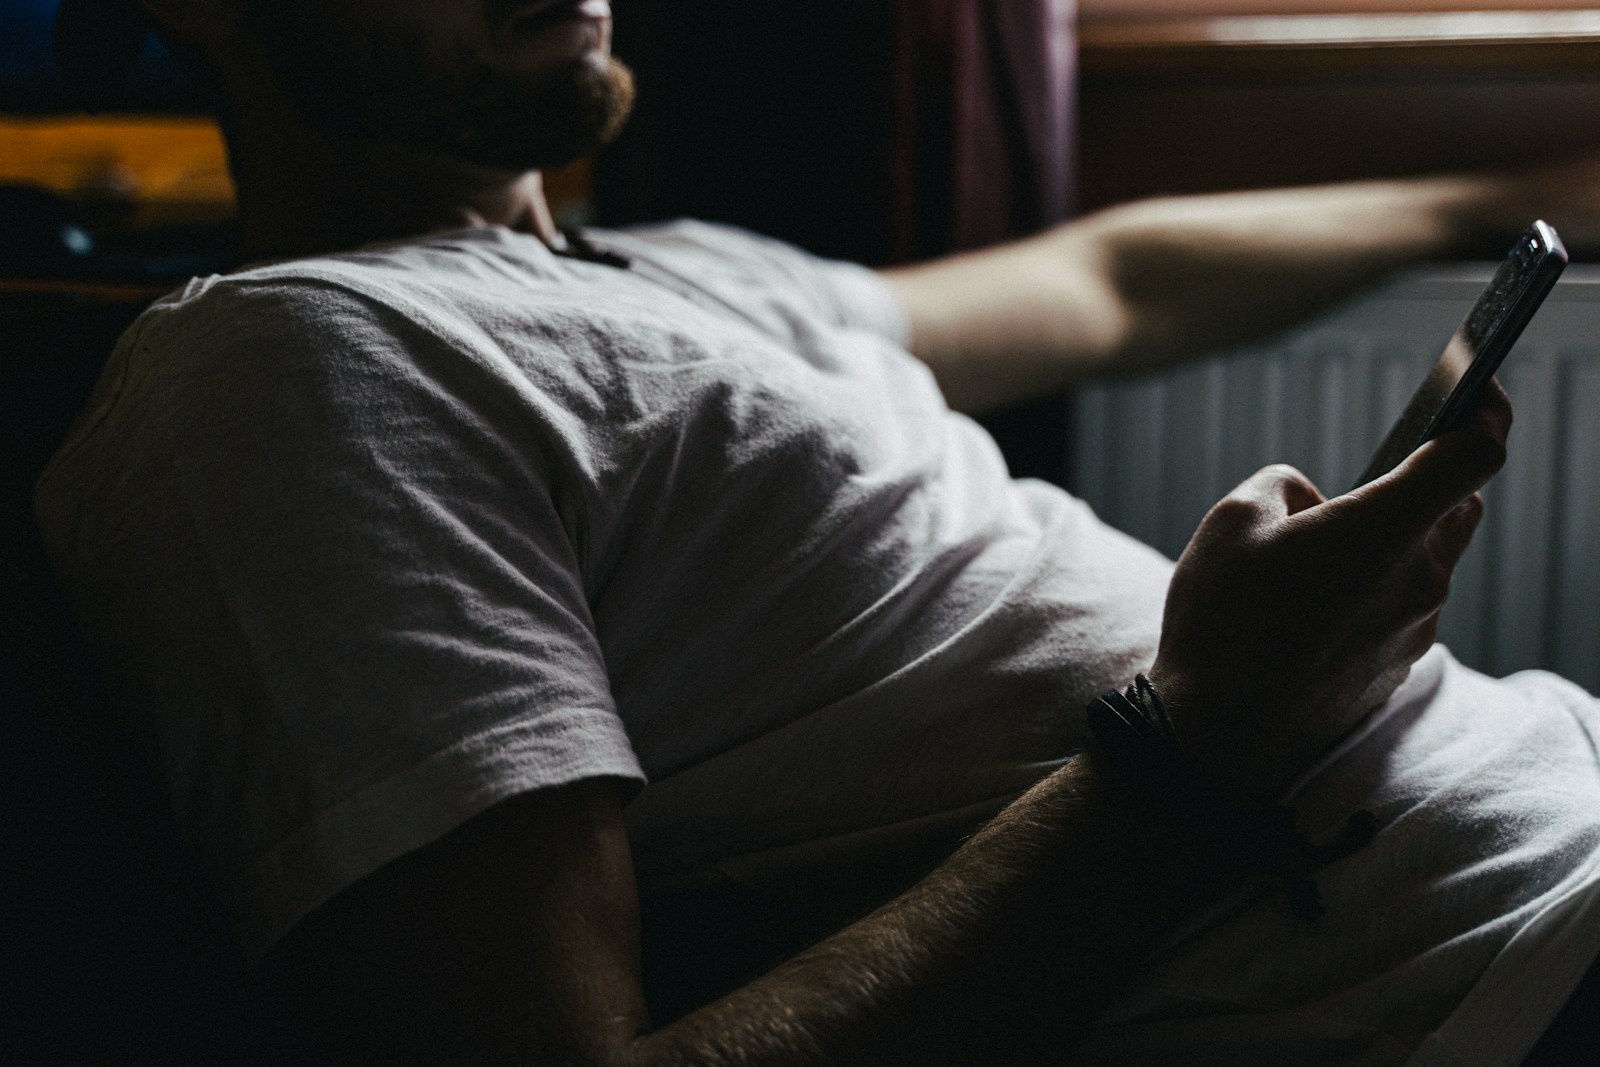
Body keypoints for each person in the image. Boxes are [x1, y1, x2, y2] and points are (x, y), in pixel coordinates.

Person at [34, 0, 1600, 1063]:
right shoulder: (291, 368)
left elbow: (1107, 283)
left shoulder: (682, 272)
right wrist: (1205, 734)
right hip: (1492, 980)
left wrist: (1518, 196)